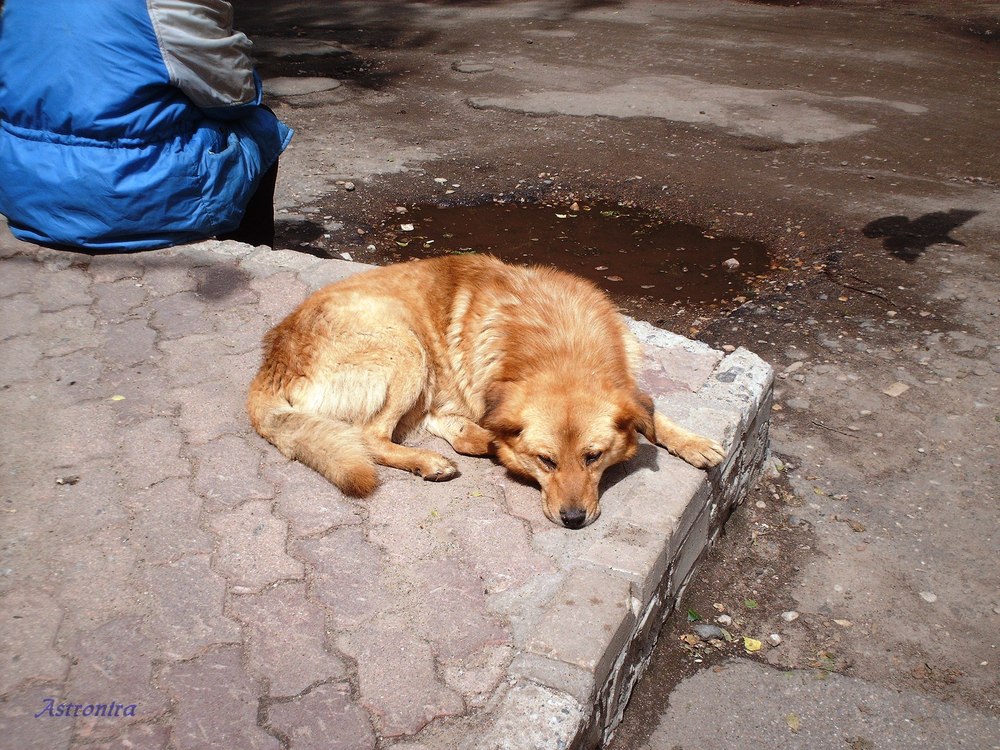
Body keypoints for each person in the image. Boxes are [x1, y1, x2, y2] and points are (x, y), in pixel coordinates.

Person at [0, 0, 292, 251]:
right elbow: (235, 95)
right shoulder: (166, 5)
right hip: (117, 199)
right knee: (259, 125)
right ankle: (247, 261)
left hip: (23, 189)